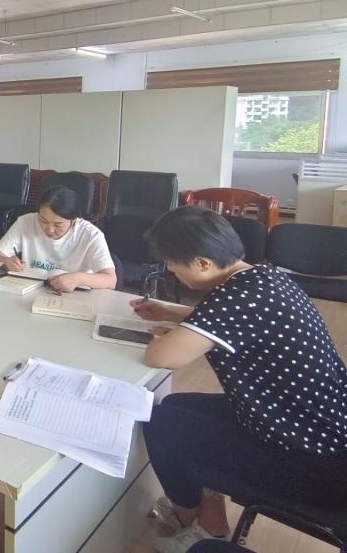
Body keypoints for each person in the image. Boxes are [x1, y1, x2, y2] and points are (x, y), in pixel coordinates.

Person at [133, 206, 347, 553]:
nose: (169, 269)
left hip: (311, 462)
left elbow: (161, 356)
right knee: (176, 405)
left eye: (172, 262)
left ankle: (195, 525)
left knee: (163, 424)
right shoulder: (263, 277)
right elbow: (232, 320)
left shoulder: (235, 298)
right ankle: (209, 519)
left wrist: (178, 329)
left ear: (203, 263)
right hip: (318, 430)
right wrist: (171, 311)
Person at [0, 185, 116, 292]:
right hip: (31, 289)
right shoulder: (26, 221)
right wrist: (6, 261)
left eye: (58, 225)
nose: (49, 229)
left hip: (74, 294)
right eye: (43, 220)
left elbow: (111, 280)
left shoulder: (90, 235)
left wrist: (78, 279)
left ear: (73, 220)